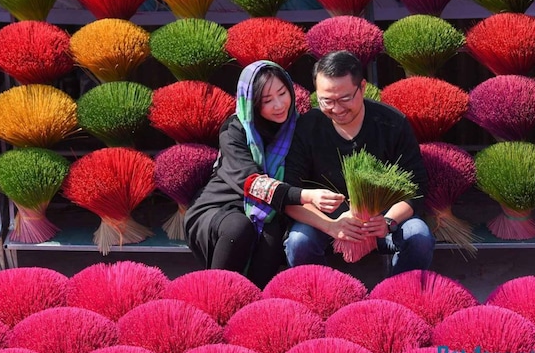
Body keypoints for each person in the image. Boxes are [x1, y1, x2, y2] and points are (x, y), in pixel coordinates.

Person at [185, 60, 345, 288]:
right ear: (251, 103)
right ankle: (213, 297)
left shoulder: (297, 127)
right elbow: (253, 183)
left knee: (273, 231)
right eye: (267, 100)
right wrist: (307, 196)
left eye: (282, 93)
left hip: (272, 210)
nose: (279, 105)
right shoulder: (235, 131)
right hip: (221, 207)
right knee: (238, 228)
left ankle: (252, 304)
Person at [283, 50, 435, 275]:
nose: (336, 108)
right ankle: (324, 297)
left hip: (382, 219)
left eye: (345, 98)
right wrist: (331, 225)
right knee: (298, 241)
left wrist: (388, 221)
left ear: (362, 87)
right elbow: (289, 193)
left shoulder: (392, 124)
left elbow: (417, 187)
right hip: (327, 220)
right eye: (326, 100)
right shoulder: (307, 127)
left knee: (418, 236)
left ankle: (395, 297)